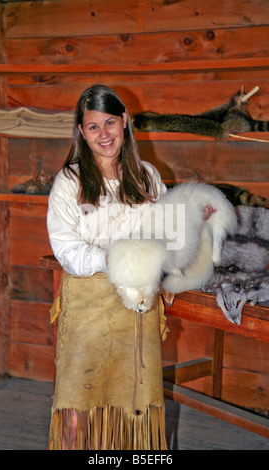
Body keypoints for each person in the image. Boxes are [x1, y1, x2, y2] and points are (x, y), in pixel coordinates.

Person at [47, 84, 169, 450]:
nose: (104, 134)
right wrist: (112, 258)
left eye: (110, 123)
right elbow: (66, 248)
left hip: (137, 310)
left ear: (125, 122)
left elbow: (165, 233)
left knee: (137, 403)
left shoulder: (147, 176)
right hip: (88, 306)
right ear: (82, 132)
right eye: (94, 126)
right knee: (79, 403)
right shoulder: (69, 182)